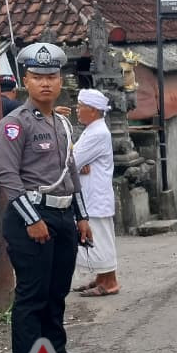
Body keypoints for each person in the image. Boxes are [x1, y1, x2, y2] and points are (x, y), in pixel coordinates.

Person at [0, 42, 95, 353]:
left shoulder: (61, 124)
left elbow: (69, 171)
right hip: (31, 218)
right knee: (32, 295)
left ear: (60, 79)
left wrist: (82, 217)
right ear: (26, 80)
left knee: (56, 292)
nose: (46, 83)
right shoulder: (15, 124)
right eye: (38, 77)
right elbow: (7, 176)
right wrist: (32, 219)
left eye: (52, 76)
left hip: (62, 216)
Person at [72, 88, 120, 297]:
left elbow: (72, 160)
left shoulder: (98, 132)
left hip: (95, 196)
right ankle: (102, 277)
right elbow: (76, 160)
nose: (77, 110)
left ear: (92, 110)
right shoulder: (92, 129)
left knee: (99, 238)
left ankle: (110, 281)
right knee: (95, 238)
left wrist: (77, 162)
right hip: (90, 193)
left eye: (80, 106)